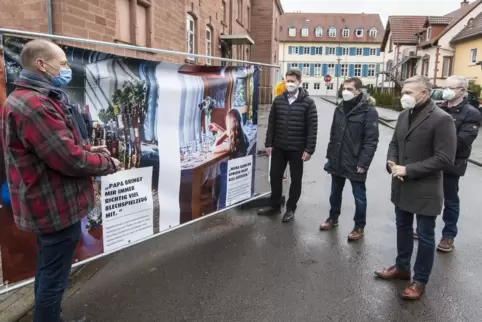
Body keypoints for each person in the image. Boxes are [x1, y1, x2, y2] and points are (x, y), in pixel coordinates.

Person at [0, 39, 122, 322]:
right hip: (54, 208)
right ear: (41, 64)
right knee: (54, 279)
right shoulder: (35, 104)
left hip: (48, 204)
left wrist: (89, 149)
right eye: (63, 63)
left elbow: (52, 148)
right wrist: (108, 163)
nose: (67, 68)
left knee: (48, 270)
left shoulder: (30, 98)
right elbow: (69, 159)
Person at [375, 75, 456, 300]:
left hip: (425, 188)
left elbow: (444, 158)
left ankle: (419, 281)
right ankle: (402, 267)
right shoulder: (403, 115)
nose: (404, 96)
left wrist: (408, 170)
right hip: (401, 185)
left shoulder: (442, 119)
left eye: (409, 93)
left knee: (425, 235)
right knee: (402, 227)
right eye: (403, 92)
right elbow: (394, 144)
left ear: (424, 94)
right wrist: (391, 163)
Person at [413, 76, 481, 252]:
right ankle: (423, 230)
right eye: (446, 87)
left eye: (452, 87)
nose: (447, 90)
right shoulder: (437, 108)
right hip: (431, 161)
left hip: (452, 164)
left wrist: (436, 146)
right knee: (428, 196)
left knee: (450, 200)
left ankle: (448, 235)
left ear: (462, 91)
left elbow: (462, 141)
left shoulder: (471, 113)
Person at [320, 77, 379, 240]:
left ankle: (359, 227)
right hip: (337, 159)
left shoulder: (369, 111)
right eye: (344, 88)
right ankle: (333, 218)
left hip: (355, 162)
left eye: (350, 89)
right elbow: (334, 134)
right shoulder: (339, 108)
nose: (346, 92)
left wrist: (363, 163)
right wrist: (330, 157)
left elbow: (371, 140)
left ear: (359, 91)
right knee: (334, 193)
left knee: (359, 197)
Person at [257, 68, 318, 223]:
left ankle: (290, 209)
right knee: (275, 177)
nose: (289, 83)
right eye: (287, 80)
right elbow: (271, 123)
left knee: (295, 180)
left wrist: (309, 149)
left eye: (292, 81)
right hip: (278, 147)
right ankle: (275, 206)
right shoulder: (279, 100)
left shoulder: (308, 102)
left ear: (299, 82)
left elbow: (312, 127)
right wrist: (269, 143)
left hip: (297, 149)